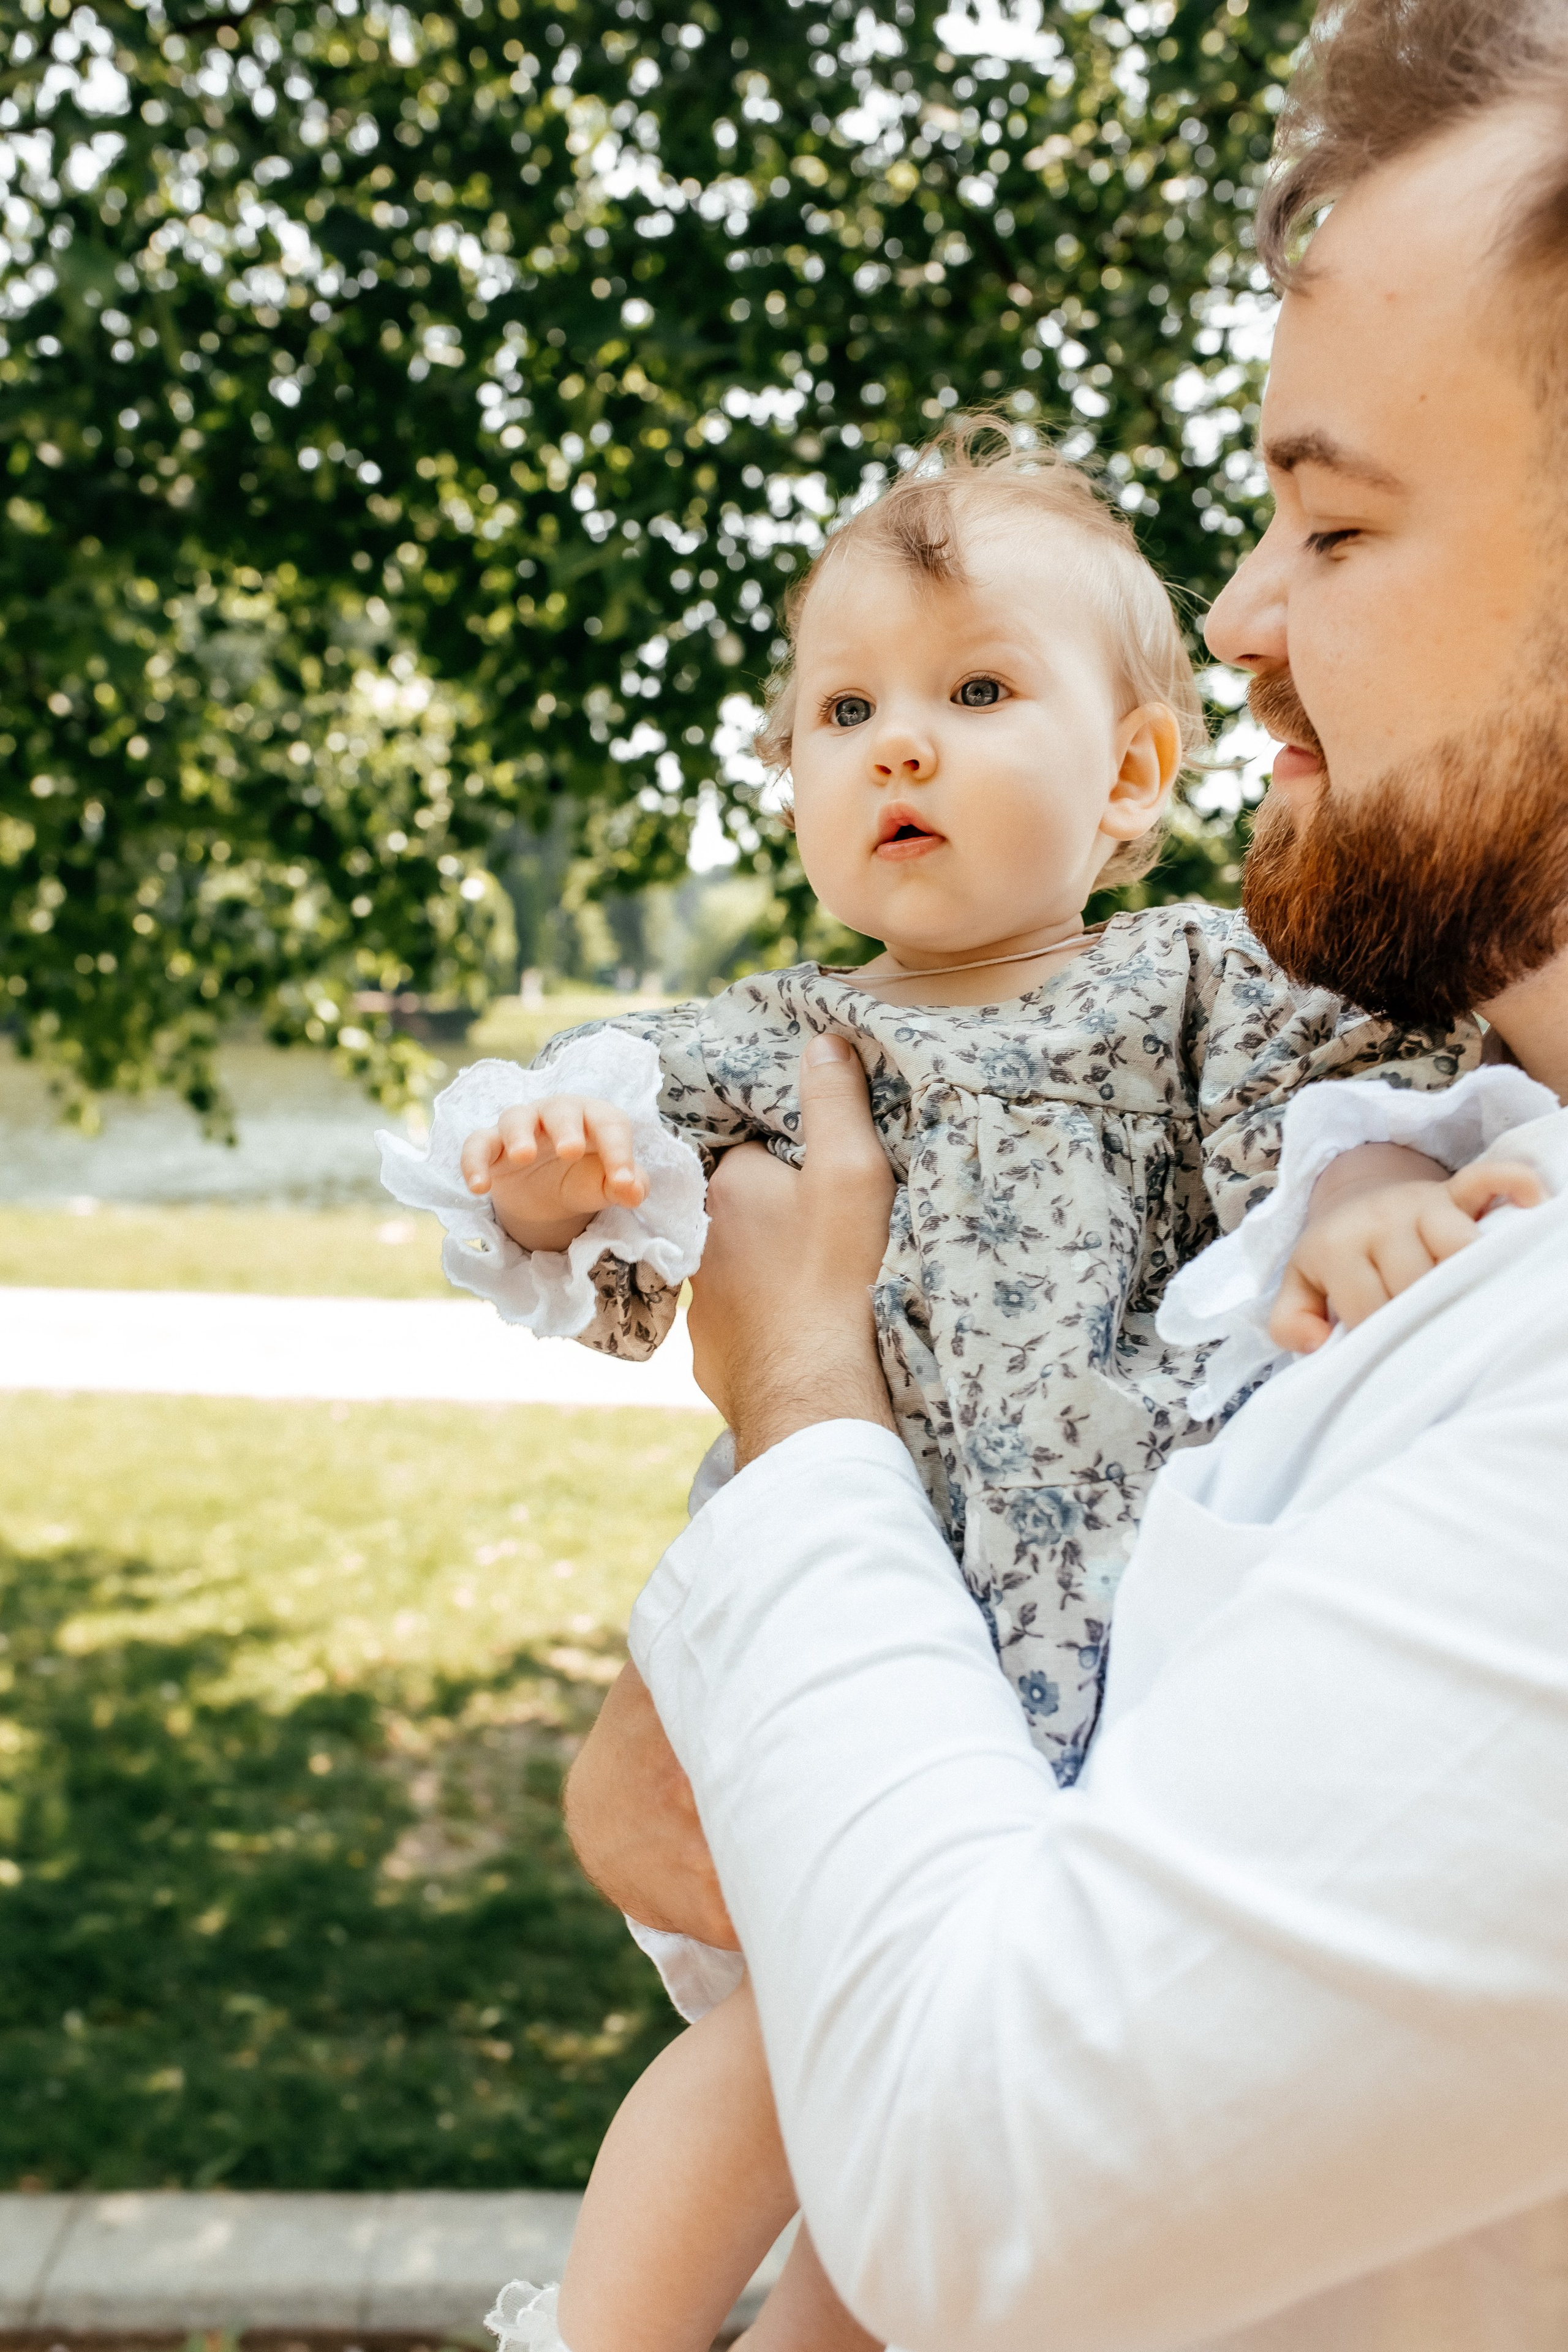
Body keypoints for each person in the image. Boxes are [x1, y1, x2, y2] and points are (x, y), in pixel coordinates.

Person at [559, 2, 1568, 2346]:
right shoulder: (1433, 1172)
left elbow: (985, 2178)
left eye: (1332, 520)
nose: (1238, 618)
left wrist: (808, 1409)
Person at [396, 432, 1527, 2349]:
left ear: (1132, 772)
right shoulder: (785, 1033)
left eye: (975, 692)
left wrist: (1370, 1197)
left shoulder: (1196, 985)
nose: (897, 747)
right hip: (886, 1641)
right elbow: (612, 1196)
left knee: (919, 2182)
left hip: (1119, 1661)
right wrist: (551, 1165)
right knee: (782, 2072)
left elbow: (1330, 1125)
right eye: (844, 712)